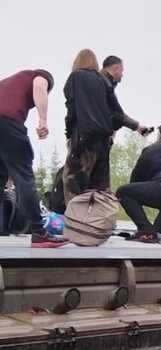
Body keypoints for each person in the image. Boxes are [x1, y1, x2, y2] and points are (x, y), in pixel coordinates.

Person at [0, 69, 69, 247]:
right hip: (7, 122)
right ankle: (39, 232)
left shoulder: (7, 83)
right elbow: (39, 85)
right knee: (24, 177)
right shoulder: (38, 76)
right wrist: (43, 120)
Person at [63, 49, 122, 203]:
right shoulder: (103, 81)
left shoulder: (75, 77)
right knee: (100, 187)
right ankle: (99, 222)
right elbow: (116, 113)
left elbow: (71, 110)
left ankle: (75, 221)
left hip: (83, 139)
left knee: (73, 182)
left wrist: (69, 134)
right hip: (103, 141)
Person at [100, 55, 151, 136]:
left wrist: (137, 126)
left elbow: (117, 112)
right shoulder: (104, 85)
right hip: (97, 135)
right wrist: (136, 126)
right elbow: (116, 113)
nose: (122, 75)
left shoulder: (104, 83)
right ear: (115, 68)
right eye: (122, 71)